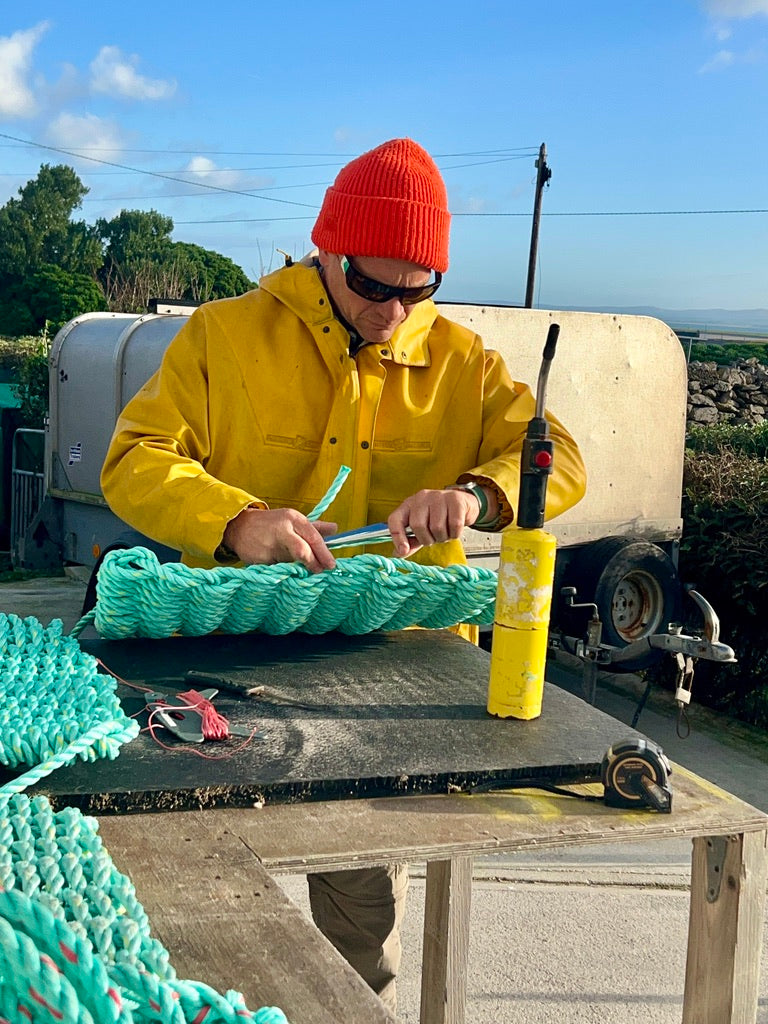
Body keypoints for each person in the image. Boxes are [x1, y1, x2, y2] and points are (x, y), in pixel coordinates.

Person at [101, 137, 587, 1013]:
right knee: (200, 901)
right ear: (324, 245)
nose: (392, 311)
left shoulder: (465, 363)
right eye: (371, 284)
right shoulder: (222, 337)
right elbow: (134, 460)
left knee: (362, 912)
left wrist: (479, 495)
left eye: (417, 288)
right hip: (227, 664)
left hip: (396, 678)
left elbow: (557, 457)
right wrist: (235, 519)